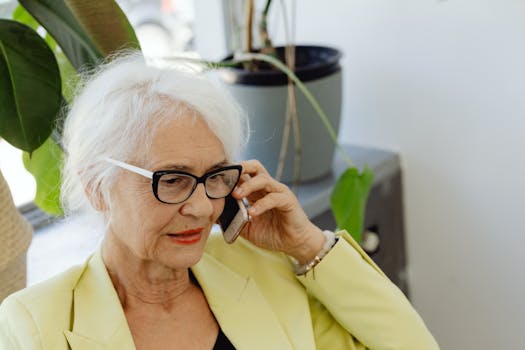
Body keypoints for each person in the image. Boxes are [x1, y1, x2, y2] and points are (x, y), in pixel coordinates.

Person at [0, 51, 439, 350]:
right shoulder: (36, 323)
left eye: (214, 176)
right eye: (172, 180)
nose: (201, 206)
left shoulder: (266, 269)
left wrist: (309, 246)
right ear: (97, 185)